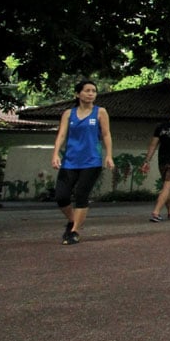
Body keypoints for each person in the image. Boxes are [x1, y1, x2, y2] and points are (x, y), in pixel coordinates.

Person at [50, 80, 114, 245]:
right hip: (70, 161)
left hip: (91, 161)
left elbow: (106, 135)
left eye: (93, 91)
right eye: (87, 90)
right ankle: (73, 220)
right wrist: (56, 153)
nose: (91, 93)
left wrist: (109, 155)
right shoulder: (68, 114)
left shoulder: (100, 112)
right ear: (78, 94)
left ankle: (74, 231)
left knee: (81, 195)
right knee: (61, 196)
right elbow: (62, 135)